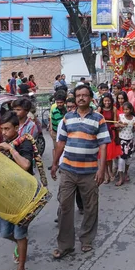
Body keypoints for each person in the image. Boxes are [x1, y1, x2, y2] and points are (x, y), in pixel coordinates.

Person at [51, 84, 111, 258]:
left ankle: (86, 239)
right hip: (68, 170)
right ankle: (65, 245)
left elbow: (103, 145)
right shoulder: (67, 118)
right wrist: (55, 164)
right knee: (64, 207)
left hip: (90, 171)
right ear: (75, 98)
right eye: (78, 95)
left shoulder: (99, 119)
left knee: (91, 207)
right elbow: (60, 143)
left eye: (85, 95)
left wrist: (101, 170)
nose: (81, 98)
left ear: (91, 98)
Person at [0, 112, 39, 270]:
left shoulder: (24, 142)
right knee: (5, 233)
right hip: (6, 195)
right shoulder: (3, 145)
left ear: (16, 128)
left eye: (7, 129)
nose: (4, 132)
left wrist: (10, 149)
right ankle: (19, 247)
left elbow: (26, 165)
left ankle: (21, 269)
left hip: (23, 195)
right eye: (2, 129)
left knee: (20, 234)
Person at [54, 97, 84, 222]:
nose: (70, 109)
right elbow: (59, 144)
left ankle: (82, 206)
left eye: (72, 107)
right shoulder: (63, 122)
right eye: (68, 107)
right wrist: (56, 163)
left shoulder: (83, 121)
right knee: (64, 191)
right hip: (66, 162)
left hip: (81, 161)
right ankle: (61, 215)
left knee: (79, 189)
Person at [115, 102, 135, 186]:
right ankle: (121, 178)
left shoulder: (134, 119)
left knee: (129, 159)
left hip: (130, 141)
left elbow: (132, 131)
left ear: (131, 110)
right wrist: (121, 125)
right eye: (124, 109)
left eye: (127, 109)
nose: (125, 111)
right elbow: (117, 126)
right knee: (121, 160)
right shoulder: (121, 117)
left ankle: (126, 172)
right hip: (122, 140)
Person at [99, 94, 121, 183]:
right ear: (103, 101)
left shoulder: (114, 109)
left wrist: (118, 125)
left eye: (108, 101)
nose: (107, 102)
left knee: (109, 155)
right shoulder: (99, 109)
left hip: (111, 133)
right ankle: (106, 174)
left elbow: (115, 122)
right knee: (103, 156)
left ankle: (110, 171)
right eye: (105, 101)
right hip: (102, 133)